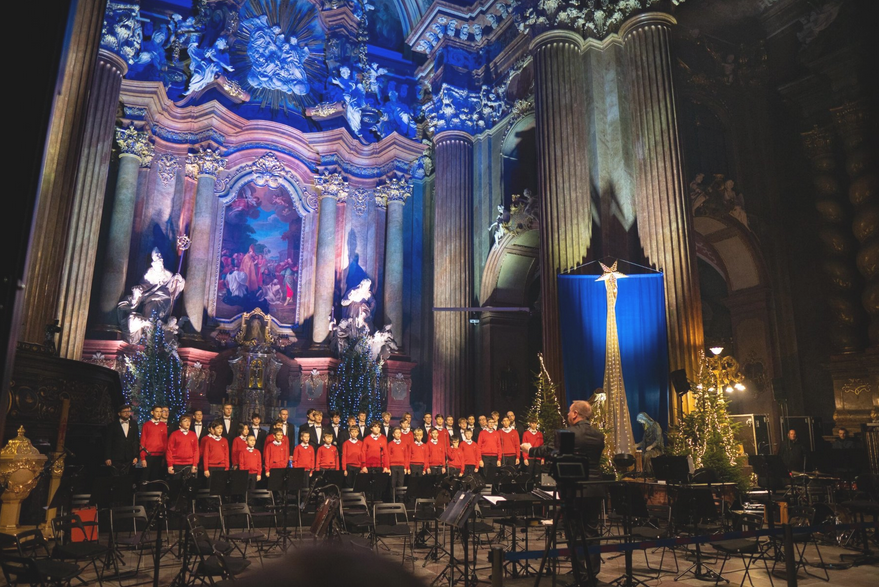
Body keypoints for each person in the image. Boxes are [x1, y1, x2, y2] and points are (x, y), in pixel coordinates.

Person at [522, 400, 606, 575]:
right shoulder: (599, 435)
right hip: (596, 488)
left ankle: (580, 573)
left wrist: (530, 450)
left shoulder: (569, 433)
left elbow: (551, 450)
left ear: (575, 413)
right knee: (592, 531)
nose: (568, 415)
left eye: (569, 412)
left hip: (575, 489)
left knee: (574, 531)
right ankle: (592, 573)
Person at [104, 404, 139, 470]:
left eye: (128, 411)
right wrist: (107, 457)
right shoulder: (113, 425)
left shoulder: (134, 424)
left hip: (130, 457)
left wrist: (136, 456)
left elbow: (136, 440)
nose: (127, 413)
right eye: (124, 411)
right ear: (119, 413)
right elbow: (108, 442)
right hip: (116, 457)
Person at [140, 405, 168, 481]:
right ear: (152, 412)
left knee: (156, 478)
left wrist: (164, 457)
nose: (159, 414)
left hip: (159, 456)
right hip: (148, 455)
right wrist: (142, 458)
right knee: (146, 478)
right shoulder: (146, 425)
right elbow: (142, 441)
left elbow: (165, 442)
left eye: (160, 412)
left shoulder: (163, 425)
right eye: (157, 412)